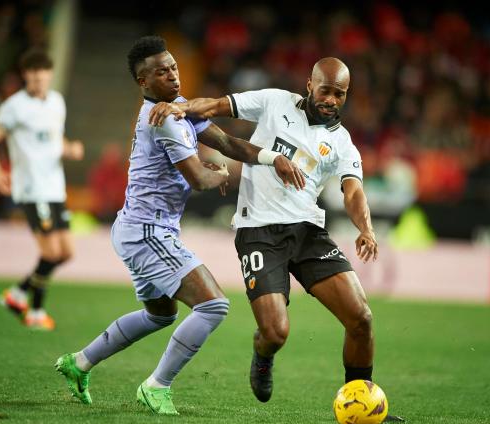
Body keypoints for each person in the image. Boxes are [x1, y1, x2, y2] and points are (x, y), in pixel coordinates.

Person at [54, 35, 304, 415]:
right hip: (147, 231)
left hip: (142, 229)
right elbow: (199, 179)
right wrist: (220, 176)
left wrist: (273, 159)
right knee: (214, 305)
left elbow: (228, 142)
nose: (173, 75)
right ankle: (156, 387)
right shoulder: (164, 123)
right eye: (161, 71)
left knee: (161, 314)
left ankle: (80, 363)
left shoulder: (179, 110)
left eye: (173, 67)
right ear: (143, 82)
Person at [149, 58, 384, 403]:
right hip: (259, 231)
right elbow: (217, 105)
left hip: (307, 234)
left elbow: (353, 191)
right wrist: (178, 107)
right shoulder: (275, 102)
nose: (332, 100)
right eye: (326, 90)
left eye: (340, 94)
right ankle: (263, 355)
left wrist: (366, 228)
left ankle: (359, 397)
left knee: (361, 318)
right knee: (276, 333)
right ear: (309, 85)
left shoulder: (343, 143)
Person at [0, 48, 84, 330]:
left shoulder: (56, 102)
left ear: (49, 74)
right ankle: (35, 311)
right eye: (33, 75)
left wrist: (69, 148)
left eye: (42, 74)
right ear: (26, 75)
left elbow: (55, 137)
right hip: (31, 188)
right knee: (50, 253)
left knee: (66, 253)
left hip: (55, 187)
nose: (38, 79)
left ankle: (16, 294)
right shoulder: (14, 106)